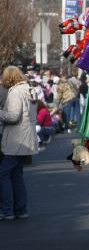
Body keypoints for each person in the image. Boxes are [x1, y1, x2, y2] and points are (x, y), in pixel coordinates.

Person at [0, 66, 38, 220]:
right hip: (28, 138)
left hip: (17, 139)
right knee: (17, 175)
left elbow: (13, 116)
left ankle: (7, 210)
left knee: (4, 173)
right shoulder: (29, 89)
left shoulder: (15, 92)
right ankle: (21, 210)